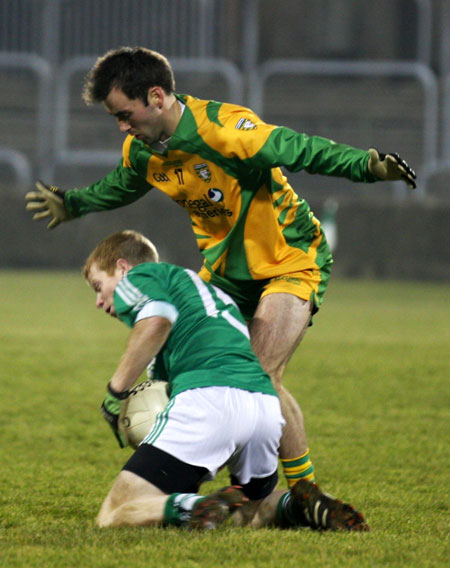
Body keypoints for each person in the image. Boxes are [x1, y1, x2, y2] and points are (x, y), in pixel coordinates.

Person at [25, 46, 416, 491]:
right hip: (225, 273)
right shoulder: (142, 150)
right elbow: (123, 185)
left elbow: (300, 148)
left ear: (156, 96)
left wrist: (365, 165)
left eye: (125, 113)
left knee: (257, 375)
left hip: (290, 259)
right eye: (116, 117)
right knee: (185, 370)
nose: (121, 126)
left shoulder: (225, 129)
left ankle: (299, 492)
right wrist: (74, 203)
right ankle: (210, 478)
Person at [83, 229, 368, 531]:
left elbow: (156, 322)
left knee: (115, 513)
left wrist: (116, 393)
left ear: (123, 267)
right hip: (263, 407)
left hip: (208, 400)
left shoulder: (141, 278)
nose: (99, 301)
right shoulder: (208, 295)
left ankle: (193, 508)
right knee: (251, 511)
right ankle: (296, 505)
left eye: (98, 286)